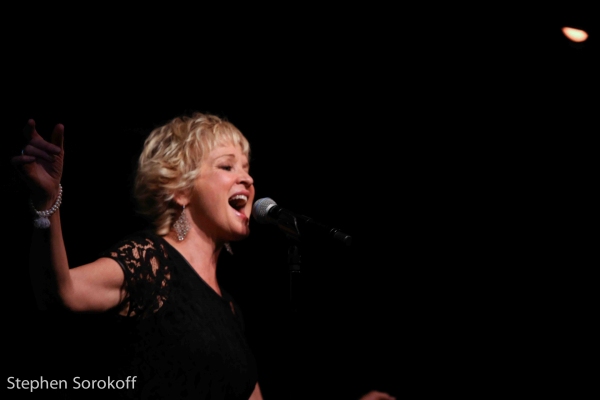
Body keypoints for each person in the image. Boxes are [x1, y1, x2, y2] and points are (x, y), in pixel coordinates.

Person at [11, 111, 396, 400]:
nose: (247, 179)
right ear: (179, 189)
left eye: (247, 169)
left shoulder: (229, 309)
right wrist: (48, 204)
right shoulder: (151, 260)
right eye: (227, 166)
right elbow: (61, 292)